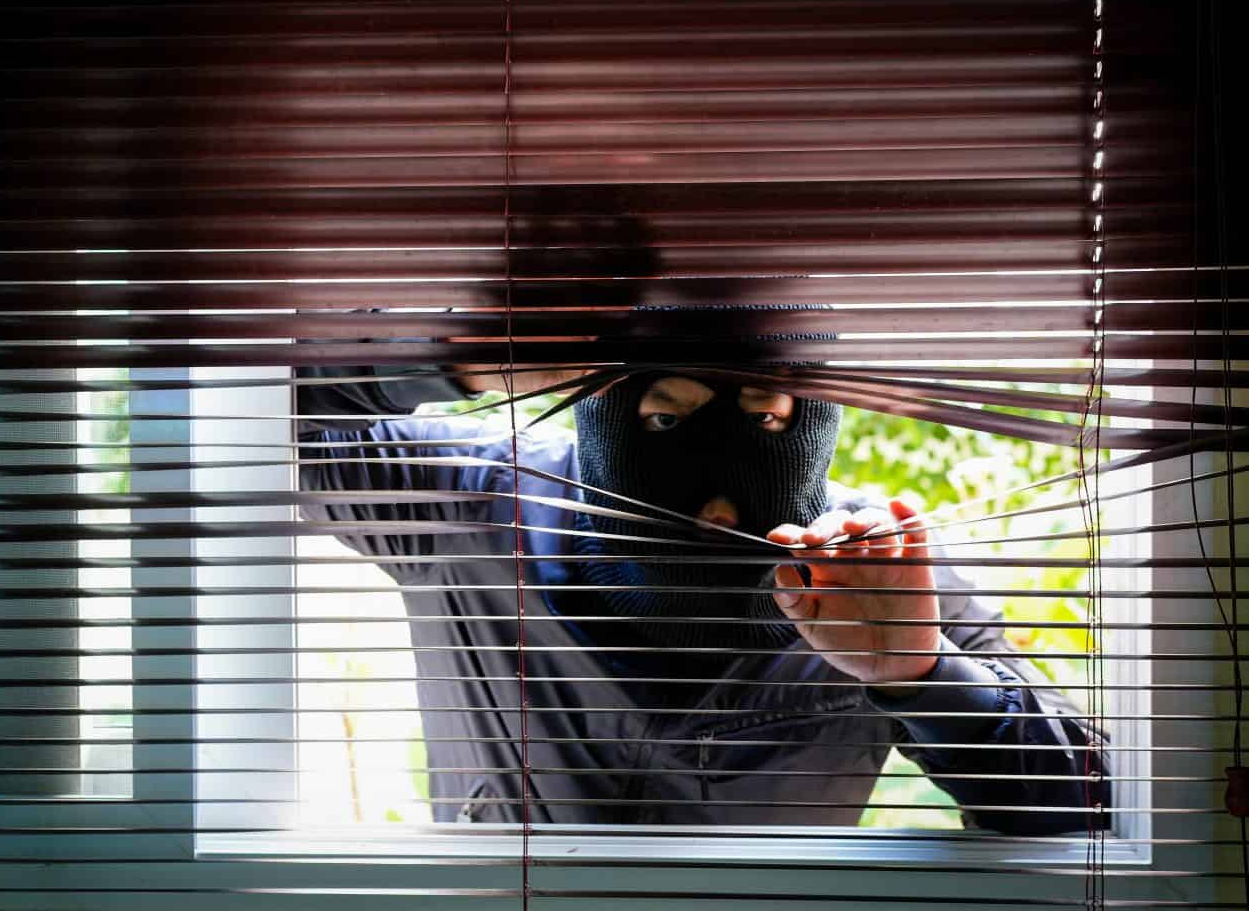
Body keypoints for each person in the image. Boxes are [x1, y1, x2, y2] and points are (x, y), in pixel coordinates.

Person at [295, 355, 1109, 833]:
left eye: (765, 424)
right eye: (667, 423)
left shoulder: (873, 574)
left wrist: (919, 675)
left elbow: (1087, 810)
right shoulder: (473, 498)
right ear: (603, 407)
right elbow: (249, 407)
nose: (718, 508)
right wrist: (467, 359)